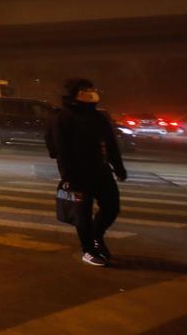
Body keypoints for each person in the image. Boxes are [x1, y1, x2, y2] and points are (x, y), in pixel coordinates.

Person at [46, 77, 127, 267]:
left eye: (91, 88)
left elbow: (111, 144)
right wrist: (68, 176)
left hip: (101, 169)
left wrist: (119, 167)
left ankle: (97, 236)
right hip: (77, 173)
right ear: (74, 94)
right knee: (82, 214)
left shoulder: (98, 117)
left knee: (111, 207)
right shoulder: (63, 117)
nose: (90, 92)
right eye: (84, 89)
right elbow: (61, 150)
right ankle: (88, 251)